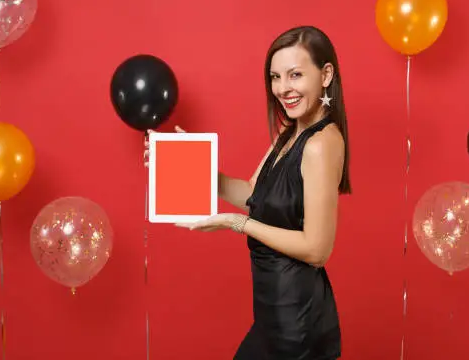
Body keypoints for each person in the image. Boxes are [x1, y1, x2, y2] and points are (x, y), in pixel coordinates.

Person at [145, 25, 351, 359]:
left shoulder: (321, 143)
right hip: (273, 319)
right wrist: (185, 164)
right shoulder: (290, 131)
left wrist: (236, 223)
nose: (283, 89)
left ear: (325, 74)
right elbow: (254, 196)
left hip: (299, 327)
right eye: (275, 77)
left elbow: (317, 249)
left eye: (295, 75)